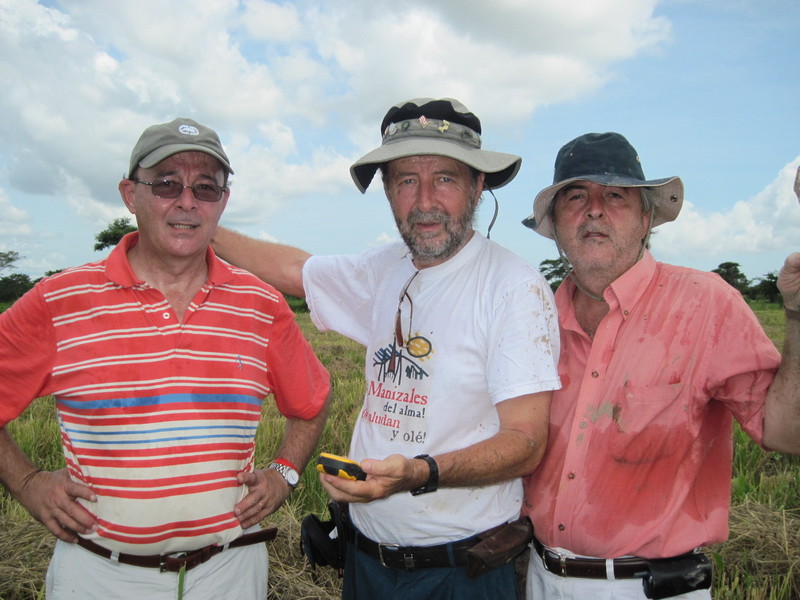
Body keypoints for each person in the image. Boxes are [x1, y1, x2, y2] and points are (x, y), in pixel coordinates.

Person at [212, 97, 561, 600]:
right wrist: (201, 225)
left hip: (463, 571)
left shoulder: (513, 288)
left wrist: (418, 473)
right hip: (367, 559)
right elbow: (296, 271)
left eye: (444, 178)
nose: (424, 201)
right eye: (404, 180)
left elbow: (527, 442)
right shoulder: (385, 268)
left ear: (477, 186)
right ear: (387, 190)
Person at [0, 117, 332, 599]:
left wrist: (284, 473)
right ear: (130, 195)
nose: (187, 202)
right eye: (166, 184)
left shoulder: (262, 306)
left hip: (230, 572)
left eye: (206, 188)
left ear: (223, 203)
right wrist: (27, 481)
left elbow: (314, 402)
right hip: (98, 574)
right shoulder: (59, 301)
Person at [520, 131, 800, 599]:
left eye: (615, 195)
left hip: (650, 589)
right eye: (575, 196)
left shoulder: (707, 304)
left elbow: (787, 432)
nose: (593, 209)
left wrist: (796, 314)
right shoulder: (534, 317)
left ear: (647, 217)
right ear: (556, 223)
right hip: (537, 578)